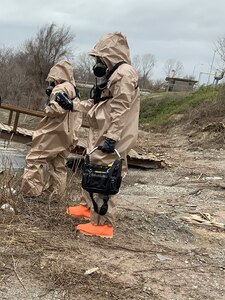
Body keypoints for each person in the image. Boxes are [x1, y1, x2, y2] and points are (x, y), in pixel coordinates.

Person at [56, 32, 140, 238]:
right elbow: (99, 103)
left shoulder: (124, 74)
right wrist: (72, 105)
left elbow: (121, 108)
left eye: (99, 59)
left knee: (105, 174)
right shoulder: (113, 75)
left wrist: (112, 137)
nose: (97, 64)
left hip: (112, 134)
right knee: (92, 167)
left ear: (109, 56)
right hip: (102, 132)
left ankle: (103, 223)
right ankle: (88, 207)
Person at [21, 60, 82, 201]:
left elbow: (56, 110)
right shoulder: (75, 90)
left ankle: (30, 194)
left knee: (34, 159)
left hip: (55, 132)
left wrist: (47, 105)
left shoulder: (60, 88)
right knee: (59, 165)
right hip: (68, 134)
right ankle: (55, 196)